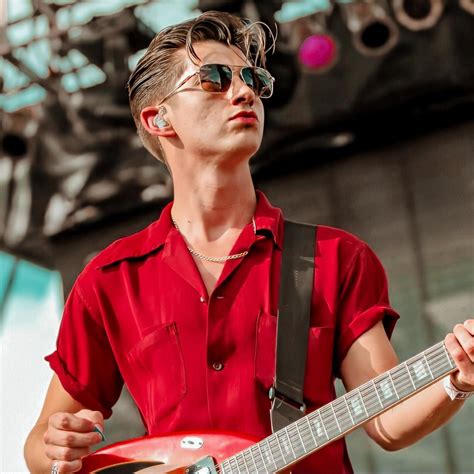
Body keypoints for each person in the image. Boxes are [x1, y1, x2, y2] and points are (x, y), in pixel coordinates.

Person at [24, 10, 473, 474]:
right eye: (215, 79)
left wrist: (456, 378)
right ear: (159, 119)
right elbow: (39, 446)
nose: (244, 93)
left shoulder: (336, 259)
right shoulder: (109, 280)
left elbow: (387, 420)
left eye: (253, 80)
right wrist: (56, 449)